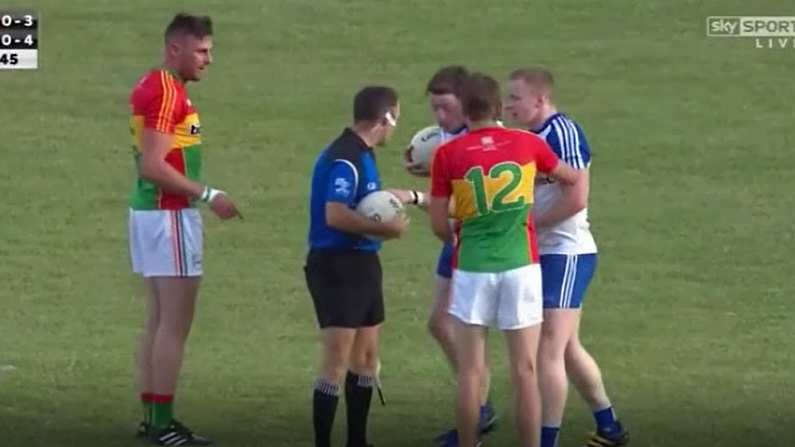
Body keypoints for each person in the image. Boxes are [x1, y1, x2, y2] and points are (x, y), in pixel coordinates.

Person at [429, 73, 580, 447]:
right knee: (526, 370)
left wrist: (461, 234)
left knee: (470, 372)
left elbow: (438, 224)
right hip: (521, 266)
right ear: (498, 108)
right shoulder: (527, 143)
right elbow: (570, 177)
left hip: (473, 268)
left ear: (464, 110)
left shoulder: (447, 155)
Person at [128, 12, 241, 446]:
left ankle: (153, 419)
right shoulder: (167, 93)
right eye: (202, 51)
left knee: (158, 322)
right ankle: (162, 425)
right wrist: (209, 194)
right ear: (174, 48)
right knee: (173, 325)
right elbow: (153, 166)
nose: (208, 59)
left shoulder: (153, 83)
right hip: (169, 215)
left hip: (150, 214)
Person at [504, 67, 630, 447]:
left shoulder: (562, 132)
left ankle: (546, 440)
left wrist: (531, 224)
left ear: (540, 100)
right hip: (540, 252)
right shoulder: (529, 136)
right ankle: (610, 426)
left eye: (515, 98)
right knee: (568, 347)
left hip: (566, 251)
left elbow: (577, 198)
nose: (507, 106)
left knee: (548, 349)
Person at [305, 85, 422, 447]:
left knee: (367, 359)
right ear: (384, 117)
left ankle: (358, 440)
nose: (395, 127)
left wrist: (417, 196)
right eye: (395, 119)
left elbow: (370, 199)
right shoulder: (345, 158)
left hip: (363, 263)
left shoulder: (362, 155)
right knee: (336, 363)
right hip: (337, 267)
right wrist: (384, 229)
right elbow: (335, 214)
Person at [404, 65, 497, 446]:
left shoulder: (477, 141)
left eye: (445, 108)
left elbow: (463, 205)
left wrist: (418, 197)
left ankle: (475, 413)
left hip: (474, 241)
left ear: (466, 102)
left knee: (458, 329)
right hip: (452, 241)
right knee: (439, 324)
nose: (439, 117)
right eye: (434, 109)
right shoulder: (445, 136)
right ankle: (479, 405)